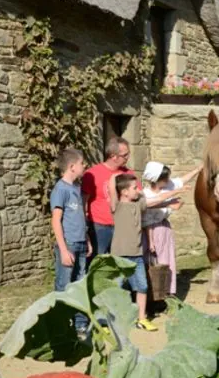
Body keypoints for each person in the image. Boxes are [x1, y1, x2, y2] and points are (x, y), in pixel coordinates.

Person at [108, 173, 190, 331]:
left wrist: (174, 194)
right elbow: (112, 187)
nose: (138, 190)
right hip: (119, 256)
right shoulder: (116, 206)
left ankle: (141, 319)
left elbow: (158, 200)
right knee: (116, 288)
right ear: (124, 192)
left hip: (137, 255)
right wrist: (117, 173)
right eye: (134, 187)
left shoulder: (139, 205)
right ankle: (110, 320)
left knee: (142, 287)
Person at [141, 161, 202, 296]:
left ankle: (167, 292)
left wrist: (197, 170)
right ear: (156, 180)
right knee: (153, 262)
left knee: (167, 261)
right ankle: (153, 294)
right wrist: (151, 241)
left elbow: (181, 180)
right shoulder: (145, 194)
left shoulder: (167, 186)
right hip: (151, 231)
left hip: (164, 228)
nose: (169, 181)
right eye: (165, 178)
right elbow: (148, 216)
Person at [50, 148, 92, 338]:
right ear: (72, 166)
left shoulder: (76, 188)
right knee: (64, 286)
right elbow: (56, 220)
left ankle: (80, 325)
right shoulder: (60, 189)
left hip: (81, 243)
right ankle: (60, 327)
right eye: (82, 163)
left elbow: (80, 217)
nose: (85, 166)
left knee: (80, 285)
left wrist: (87, 239)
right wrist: (64, 250)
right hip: (68, 245)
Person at [82, 137, 139, 259]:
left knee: (121, 262)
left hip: (122, 225)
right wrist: (84, 226)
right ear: (113, 156)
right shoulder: (92, 174)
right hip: (100, 226)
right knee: (98, 262)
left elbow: (139, 195)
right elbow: (83, 201)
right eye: (125, 155)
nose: (128, 157)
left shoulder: (129, 174)